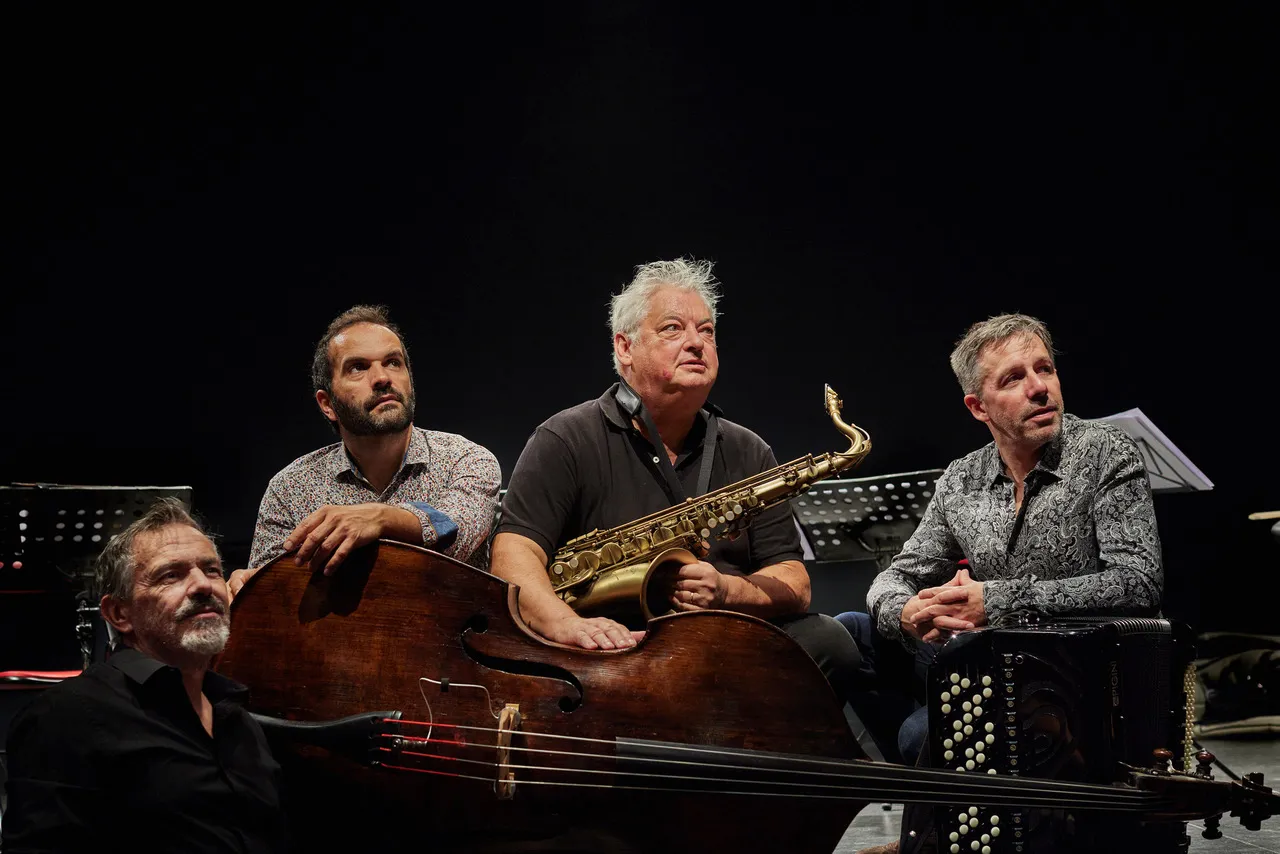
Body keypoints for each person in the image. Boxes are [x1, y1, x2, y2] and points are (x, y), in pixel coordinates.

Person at [844, 313, 1163, 854]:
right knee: (850, 631)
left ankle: (939, 823)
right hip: (985, 661)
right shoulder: (961, 478)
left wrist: (996, 600)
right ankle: (936, 804)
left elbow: (1139, 581)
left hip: (1073, 678)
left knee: (922, 735)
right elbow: (898, 573)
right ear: (978, 407)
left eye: (1045, 369)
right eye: (1013, 378)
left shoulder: (1107, 453)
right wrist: (905, 611)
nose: (1040, 387)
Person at [491, 258, 860, 703]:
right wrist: (566, 624)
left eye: (707, 331)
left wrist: (726, 590)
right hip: (616, 644)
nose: (696, 343)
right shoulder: (564, 438)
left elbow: (793, 581)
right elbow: (514, 552)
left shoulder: (749, 450)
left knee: (831, 641)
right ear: (624, 348)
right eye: (673, 329)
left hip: (723, 641)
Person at [1, 498, 288, 853]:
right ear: (119, 613)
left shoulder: (238, 718)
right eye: (171, 575)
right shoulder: (64, 716)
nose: (203, 585)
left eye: (212, 570)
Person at [229, 305, 500, 596]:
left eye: (393, 362)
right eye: (358, 367)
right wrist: (249, 587)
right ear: (327, 404)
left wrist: (380, 518)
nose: (382, 378)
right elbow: (270, 601)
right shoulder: (290, 488)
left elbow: (458, 537)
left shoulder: (466, 458)